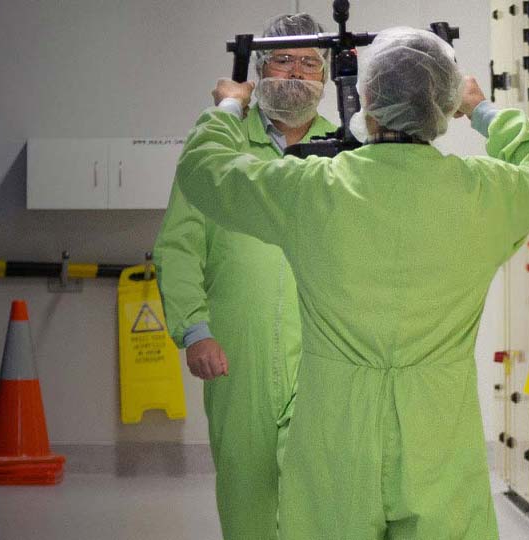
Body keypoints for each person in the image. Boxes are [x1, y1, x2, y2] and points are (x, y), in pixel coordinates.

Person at [174, 26, 529, 540]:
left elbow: (202, 171)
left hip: (334, 434)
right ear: (443, 103)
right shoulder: (482, 192)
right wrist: (482, 110)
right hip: (438, 430)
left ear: (365, 102)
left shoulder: (315, 190)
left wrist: (229, 108)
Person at [151, 12, 336, 540]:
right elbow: (179, 245)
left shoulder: (345, 150)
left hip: (325, 347)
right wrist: (195, 328)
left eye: (310, 63)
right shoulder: (219, 148)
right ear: (258, 71)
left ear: (325, 78)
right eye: (283, 60)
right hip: (239, 348)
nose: (297, 73)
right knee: (247, 489)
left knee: (320, 489)